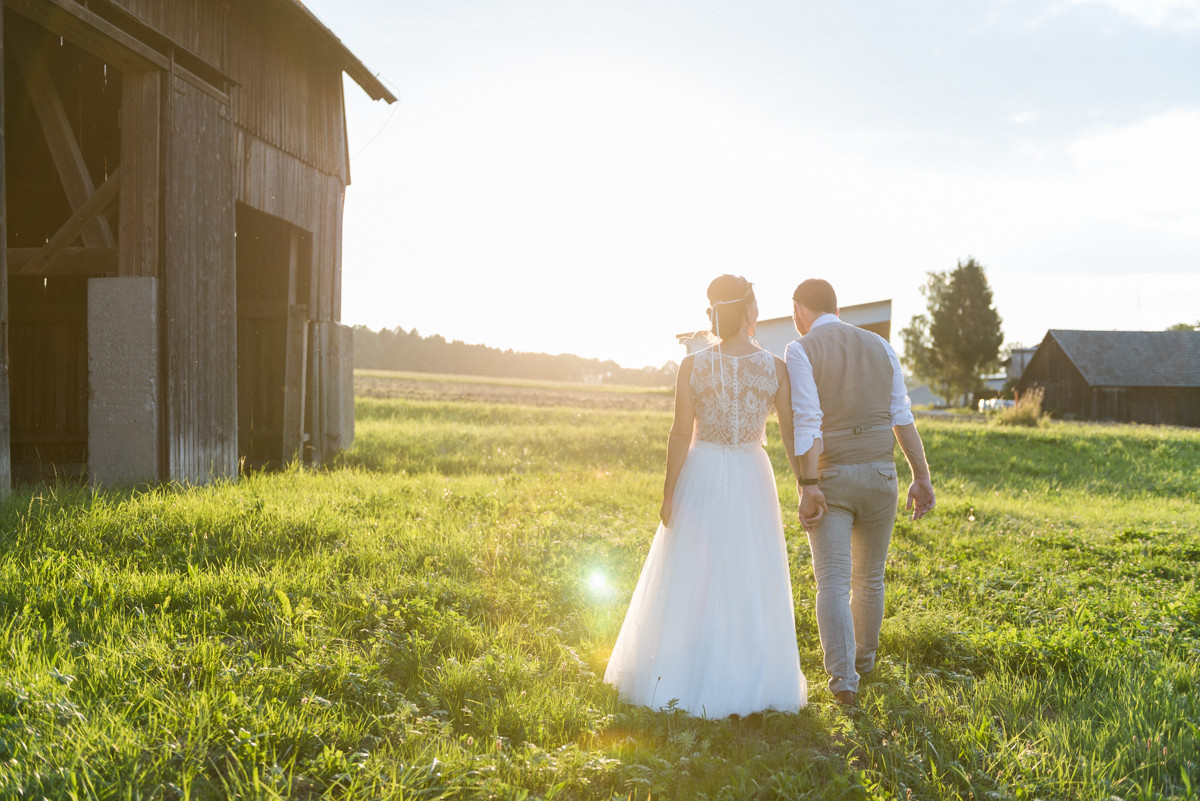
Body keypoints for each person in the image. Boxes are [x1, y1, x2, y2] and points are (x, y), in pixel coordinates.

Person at [604, 275, 807, 718]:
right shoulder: (775, 367)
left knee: (694, 574)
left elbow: (680, 433)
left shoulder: (692, 366)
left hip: (702, 470)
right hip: (752, 472)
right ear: (750, 309)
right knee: (749, 572)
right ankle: (747, 675)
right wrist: (805, 485)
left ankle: (681, 671)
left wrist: (669, 492)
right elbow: (790, 435)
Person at [786, 278, 935, 708]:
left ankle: (844, 683)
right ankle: (865, 663)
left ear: (799, 309)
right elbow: (901, 415)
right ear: (837, 306)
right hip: (881, 475)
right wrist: (921, 476)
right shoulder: (880, 346)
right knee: (869, 578)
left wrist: (809, 484)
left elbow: (808, 421)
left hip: (831, 478)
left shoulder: (801, 350)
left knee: (831, 581)